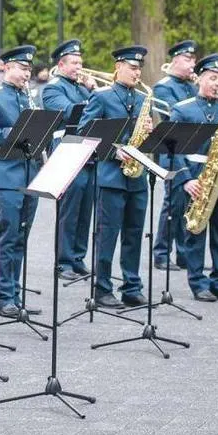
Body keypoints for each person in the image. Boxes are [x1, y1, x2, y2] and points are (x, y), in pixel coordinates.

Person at [77, 45, 152, 309]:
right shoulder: (102, 96)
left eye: (139, 68)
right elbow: (86, 133)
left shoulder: (143, 100)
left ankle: (132, 286)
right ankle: (102, 288)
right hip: (110, 176)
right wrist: (114, 152)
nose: (137, 72)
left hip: (137, 178)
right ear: (118, 67)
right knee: (106, 235)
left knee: (134, 233)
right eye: (132, 67)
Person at [0, 45, 42, 317]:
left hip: (30, 173)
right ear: (7, 67)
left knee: (21, 235)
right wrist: (21, 132)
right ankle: (5, 297)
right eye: (21, 68)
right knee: (7, 235)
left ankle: (16, 292)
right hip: (5, 174)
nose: (26, 74)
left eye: (29, 69)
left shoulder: (29, 98)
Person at [171, 54, 218, 303]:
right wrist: (186, 179)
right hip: (197, 180)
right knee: (195, 232)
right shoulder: (183, 109)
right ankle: (198, 282)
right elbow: (173, 150)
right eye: (212, 78)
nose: (217, 83)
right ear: (199, 78)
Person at [40, 39, 94, 280]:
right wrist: (95, 97)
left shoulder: (83, 88)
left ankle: (78, 258)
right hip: (65, 150)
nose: (79, 67)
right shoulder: (53, 88)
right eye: (74, 63)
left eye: (81, 62)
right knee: (69, 210)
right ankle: (63, 262)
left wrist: (92, 91)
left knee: (85, 208)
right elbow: (71, 112)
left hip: (86, 150)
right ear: (61, 64)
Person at [152, 39, 198, 271]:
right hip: (172, 150)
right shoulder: (163, 86)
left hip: (192, 150)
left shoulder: (191, 85)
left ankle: (184, 254)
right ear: (176, 60)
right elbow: (176, 114)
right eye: (188, 59)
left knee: (189, 206)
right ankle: (161, 253)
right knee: (173, 204)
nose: (192, 64)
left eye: (193, 59)